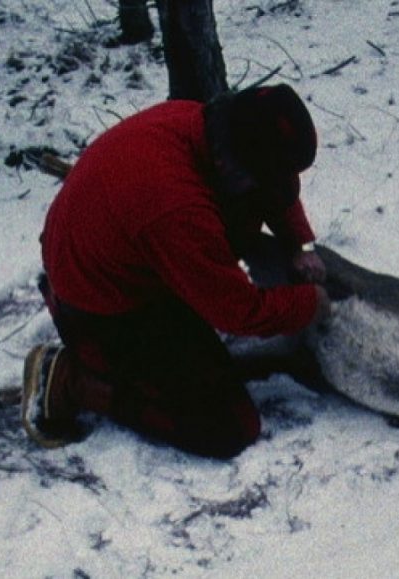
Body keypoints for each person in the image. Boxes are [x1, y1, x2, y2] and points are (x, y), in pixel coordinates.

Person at [23, 84, 329, 458]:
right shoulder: (177, 209)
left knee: (229, 221)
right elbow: (237, 312)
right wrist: (309, 304)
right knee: (228, 426)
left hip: (107, 251)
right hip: (101, 299)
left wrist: (296, 244)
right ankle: (72, 379)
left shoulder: (205, 123)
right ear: (232, 162)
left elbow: (269, 186)